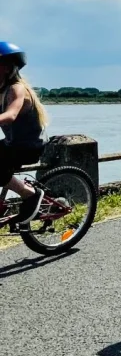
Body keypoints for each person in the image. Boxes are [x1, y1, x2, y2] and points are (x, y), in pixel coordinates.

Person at [0, 42, 49, 222]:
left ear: (5, 68)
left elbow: (10, 115)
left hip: (29, 147)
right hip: (11, 143)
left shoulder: (16, 89)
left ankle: (30, 194)